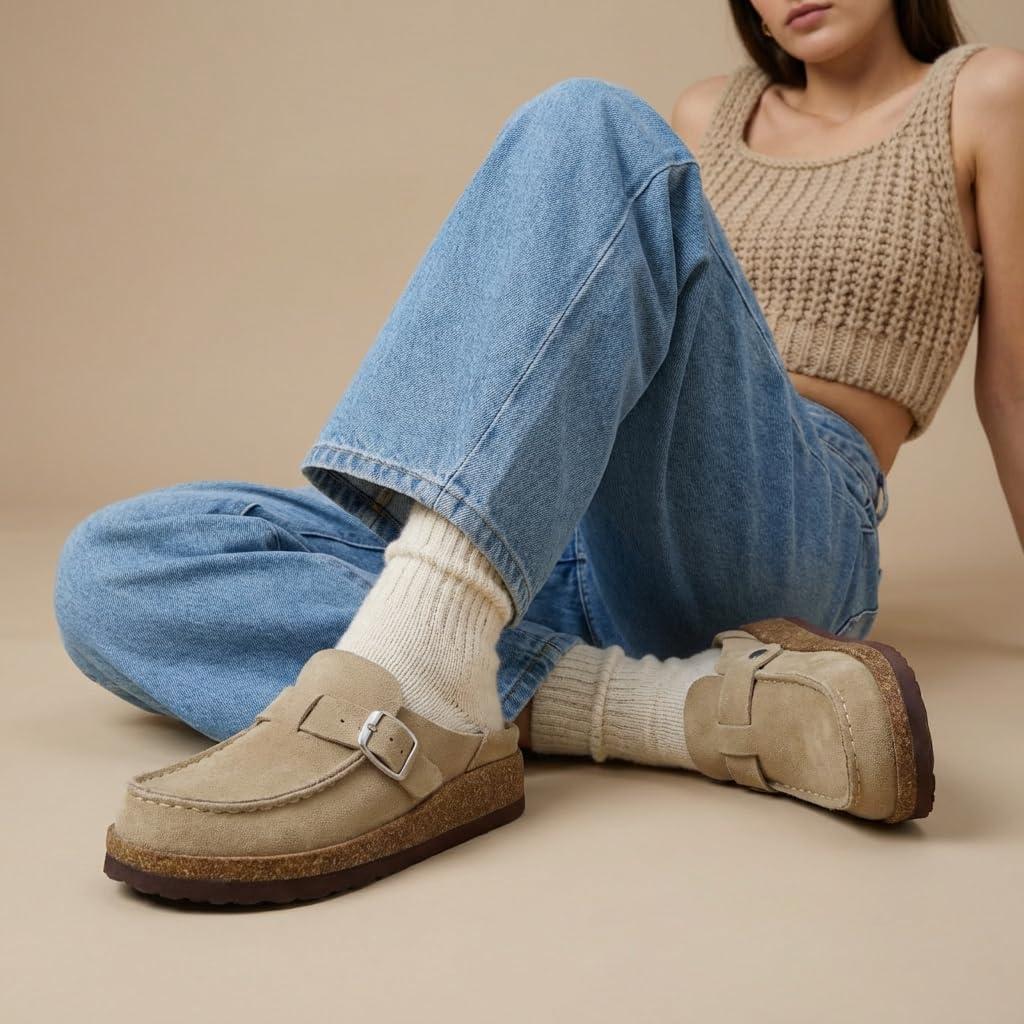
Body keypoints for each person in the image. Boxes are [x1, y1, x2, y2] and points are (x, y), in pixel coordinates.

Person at [54, 0, 1023, 905]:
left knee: (588, 119)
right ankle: (673, 710)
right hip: (575, 510)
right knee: (116, 562)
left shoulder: (985, 94)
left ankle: (417, 678)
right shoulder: (708, 112)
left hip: (782, 526)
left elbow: (1014, 386)